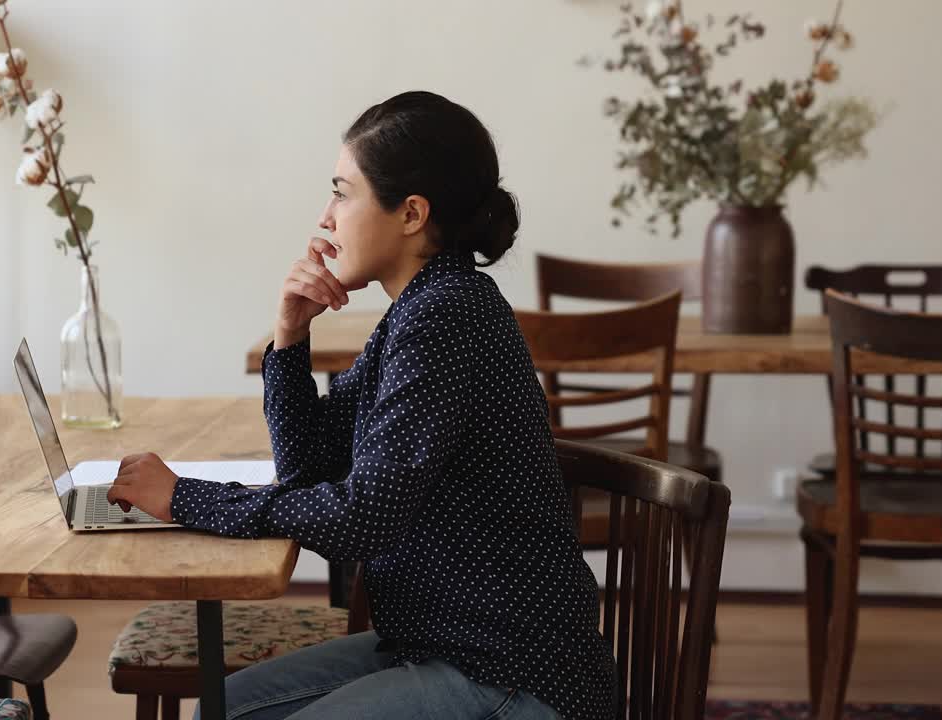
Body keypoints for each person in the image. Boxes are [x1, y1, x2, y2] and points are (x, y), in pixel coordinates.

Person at [107, 90, 616, 720]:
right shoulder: (415, 311)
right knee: (225, 709)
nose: (326, 215)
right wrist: (290, 336)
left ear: (410, 214)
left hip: (513, 672)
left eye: (342, 192)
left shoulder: (447, 315)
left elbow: (360, 521)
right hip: (438, 646)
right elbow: (309, 468)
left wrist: (183, 497)